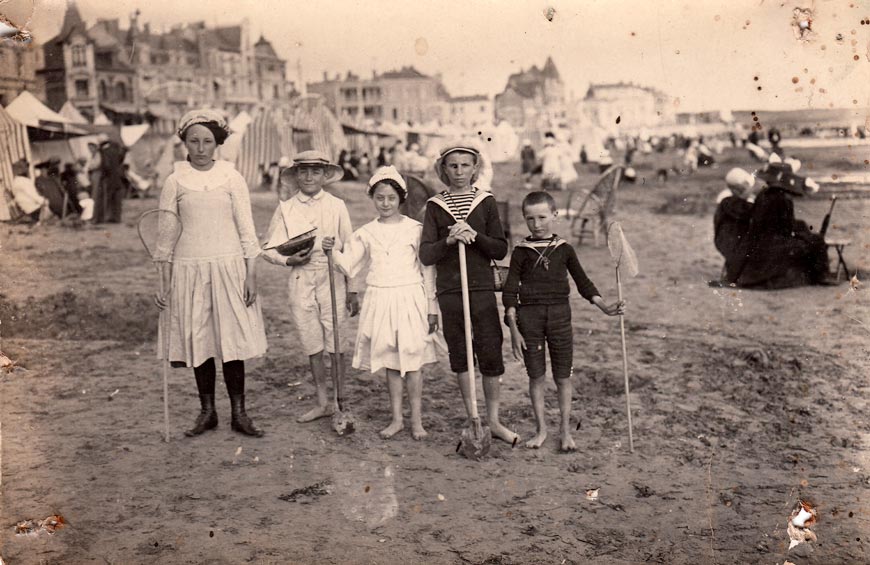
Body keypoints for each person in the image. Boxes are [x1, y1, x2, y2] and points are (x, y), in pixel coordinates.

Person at [153, 109, 268, 437]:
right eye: (194, 141)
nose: (201, 148)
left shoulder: (232, 178)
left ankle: (239, 413)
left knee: (231, 342)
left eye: (207, 141)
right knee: (199, 340)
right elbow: (165, 235)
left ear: (217, 143)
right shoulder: (174, 181)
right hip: (189, 269)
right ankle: (207, 412)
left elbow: (247, 229)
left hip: (228, 267)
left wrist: (251, 273)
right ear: (184, 143)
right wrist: (164, 282)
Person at [323, 166, 444, 439]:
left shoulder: (416, 229)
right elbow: (349, 265)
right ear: (372, 198)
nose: (385, 203)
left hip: (410, 297)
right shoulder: (366, 233)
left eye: (391, 198)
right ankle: (397, 419)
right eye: (380, 198)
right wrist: (331, 252)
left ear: (401, 199)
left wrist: (431, 307)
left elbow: (428, 270)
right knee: (391, 359)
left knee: (413, 360)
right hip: (381, 298)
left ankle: (416, 421)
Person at [503, 191, 623, 451]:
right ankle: (541, 430)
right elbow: (510, 291)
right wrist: (513, 328)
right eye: (530, 218)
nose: (536, 224)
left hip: (559, 316)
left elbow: (583, 282)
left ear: (555, 216)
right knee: (536, 376)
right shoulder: (521, 252)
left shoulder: (564, 249)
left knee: (563, 377)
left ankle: (566, 432)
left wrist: (604, 307)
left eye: (542, 217)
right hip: (529, 319)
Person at [419, 141, 518, 445]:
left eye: (465, 165)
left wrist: (475, 237)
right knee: (461, 355)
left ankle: (494, 421)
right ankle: (472, 417)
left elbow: (501, 249)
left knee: (489, 351)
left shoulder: (485, 202)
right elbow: (425, 255)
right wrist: (448, 241)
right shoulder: (436, 207)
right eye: (453, 166)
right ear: (443, 169)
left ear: (475, 168)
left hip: (481, 288)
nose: (459, 171)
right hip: (450, 290)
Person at [261, 150, 361, 423]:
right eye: (303, 171)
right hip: (300, 277)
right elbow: (268, 249)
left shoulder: (336, 205)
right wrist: (287, 259)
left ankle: (341, 402)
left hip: (331, 274)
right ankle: (322, 402)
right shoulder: (286, 207)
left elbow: (350, 247)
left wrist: (352, 288)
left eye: (315, 171)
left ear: (324, 175)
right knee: (312, 341)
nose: (309, 176)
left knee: (336, 341)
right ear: (295, 175)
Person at [728, 160, 829, 288]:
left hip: (758, 242)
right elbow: (786, 229)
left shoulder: (763, 194)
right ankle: (820, 276)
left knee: (806, 235)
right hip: (775, 245)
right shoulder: (784, 198)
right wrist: (803, 234)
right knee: (817, 241)